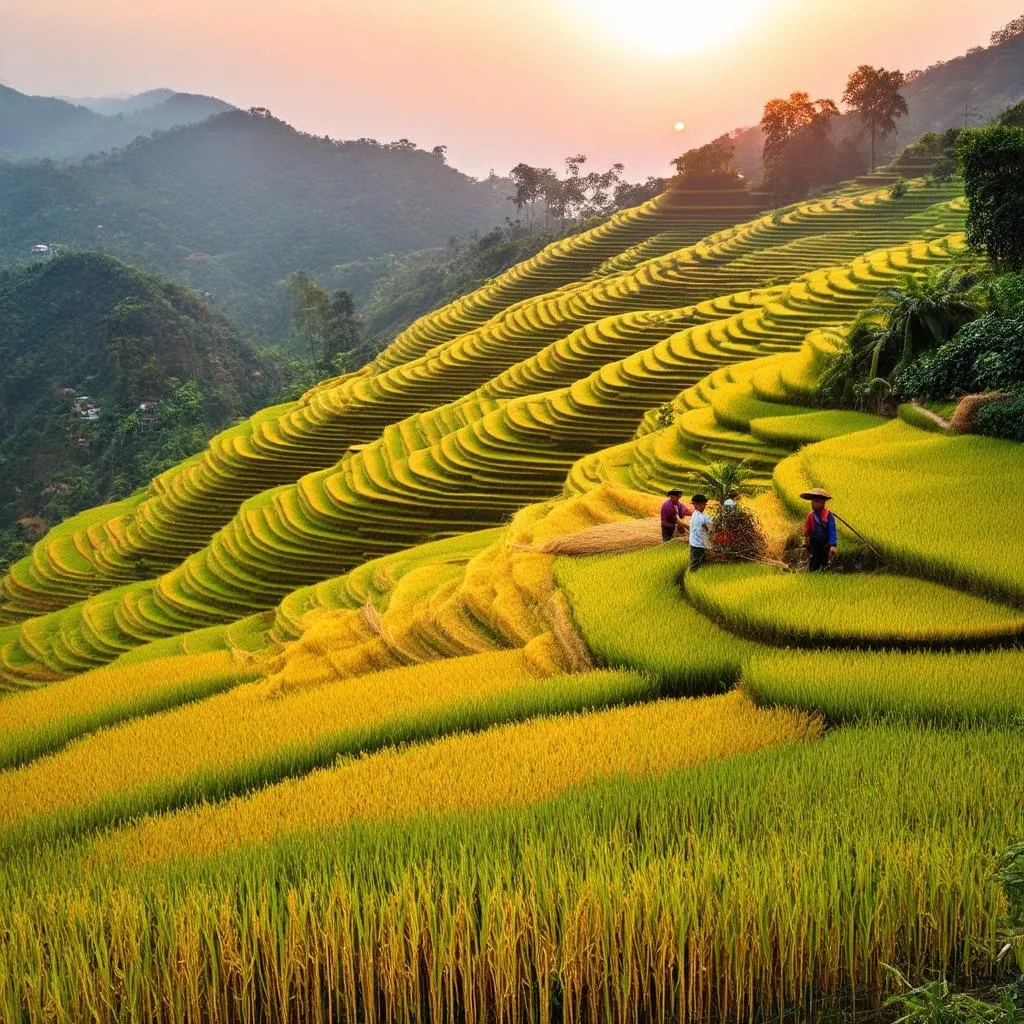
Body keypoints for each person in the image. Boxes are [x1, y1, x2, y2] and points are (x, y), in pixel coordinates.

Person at [800, 488, 838, 571]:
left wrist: (833, 544)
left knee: (824, 558)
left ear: (823, 503)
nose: (814, 504)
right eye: (813, 501)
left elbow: (832, 530)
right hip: (815, 541)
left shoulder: (828, 515)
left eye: (817, 501)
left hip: (825, 542)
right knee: (815, 556)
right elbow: (807, 530)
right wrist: (805, 539)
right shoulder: (811, 516)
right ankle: (812, 572)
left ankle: (822, 572)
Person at [688, 494, 712, 570]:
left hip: (696, 544)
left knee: (699, 564)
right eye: (704, 504)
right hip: (698, 545)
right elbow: (701, 532)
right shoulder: (698, 518)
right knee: (695, 565)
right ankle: (691, 577)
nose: (704, 506)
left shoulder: (697, 514)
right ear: (698, 504)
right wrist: (709, 544)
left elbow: (706, 518)